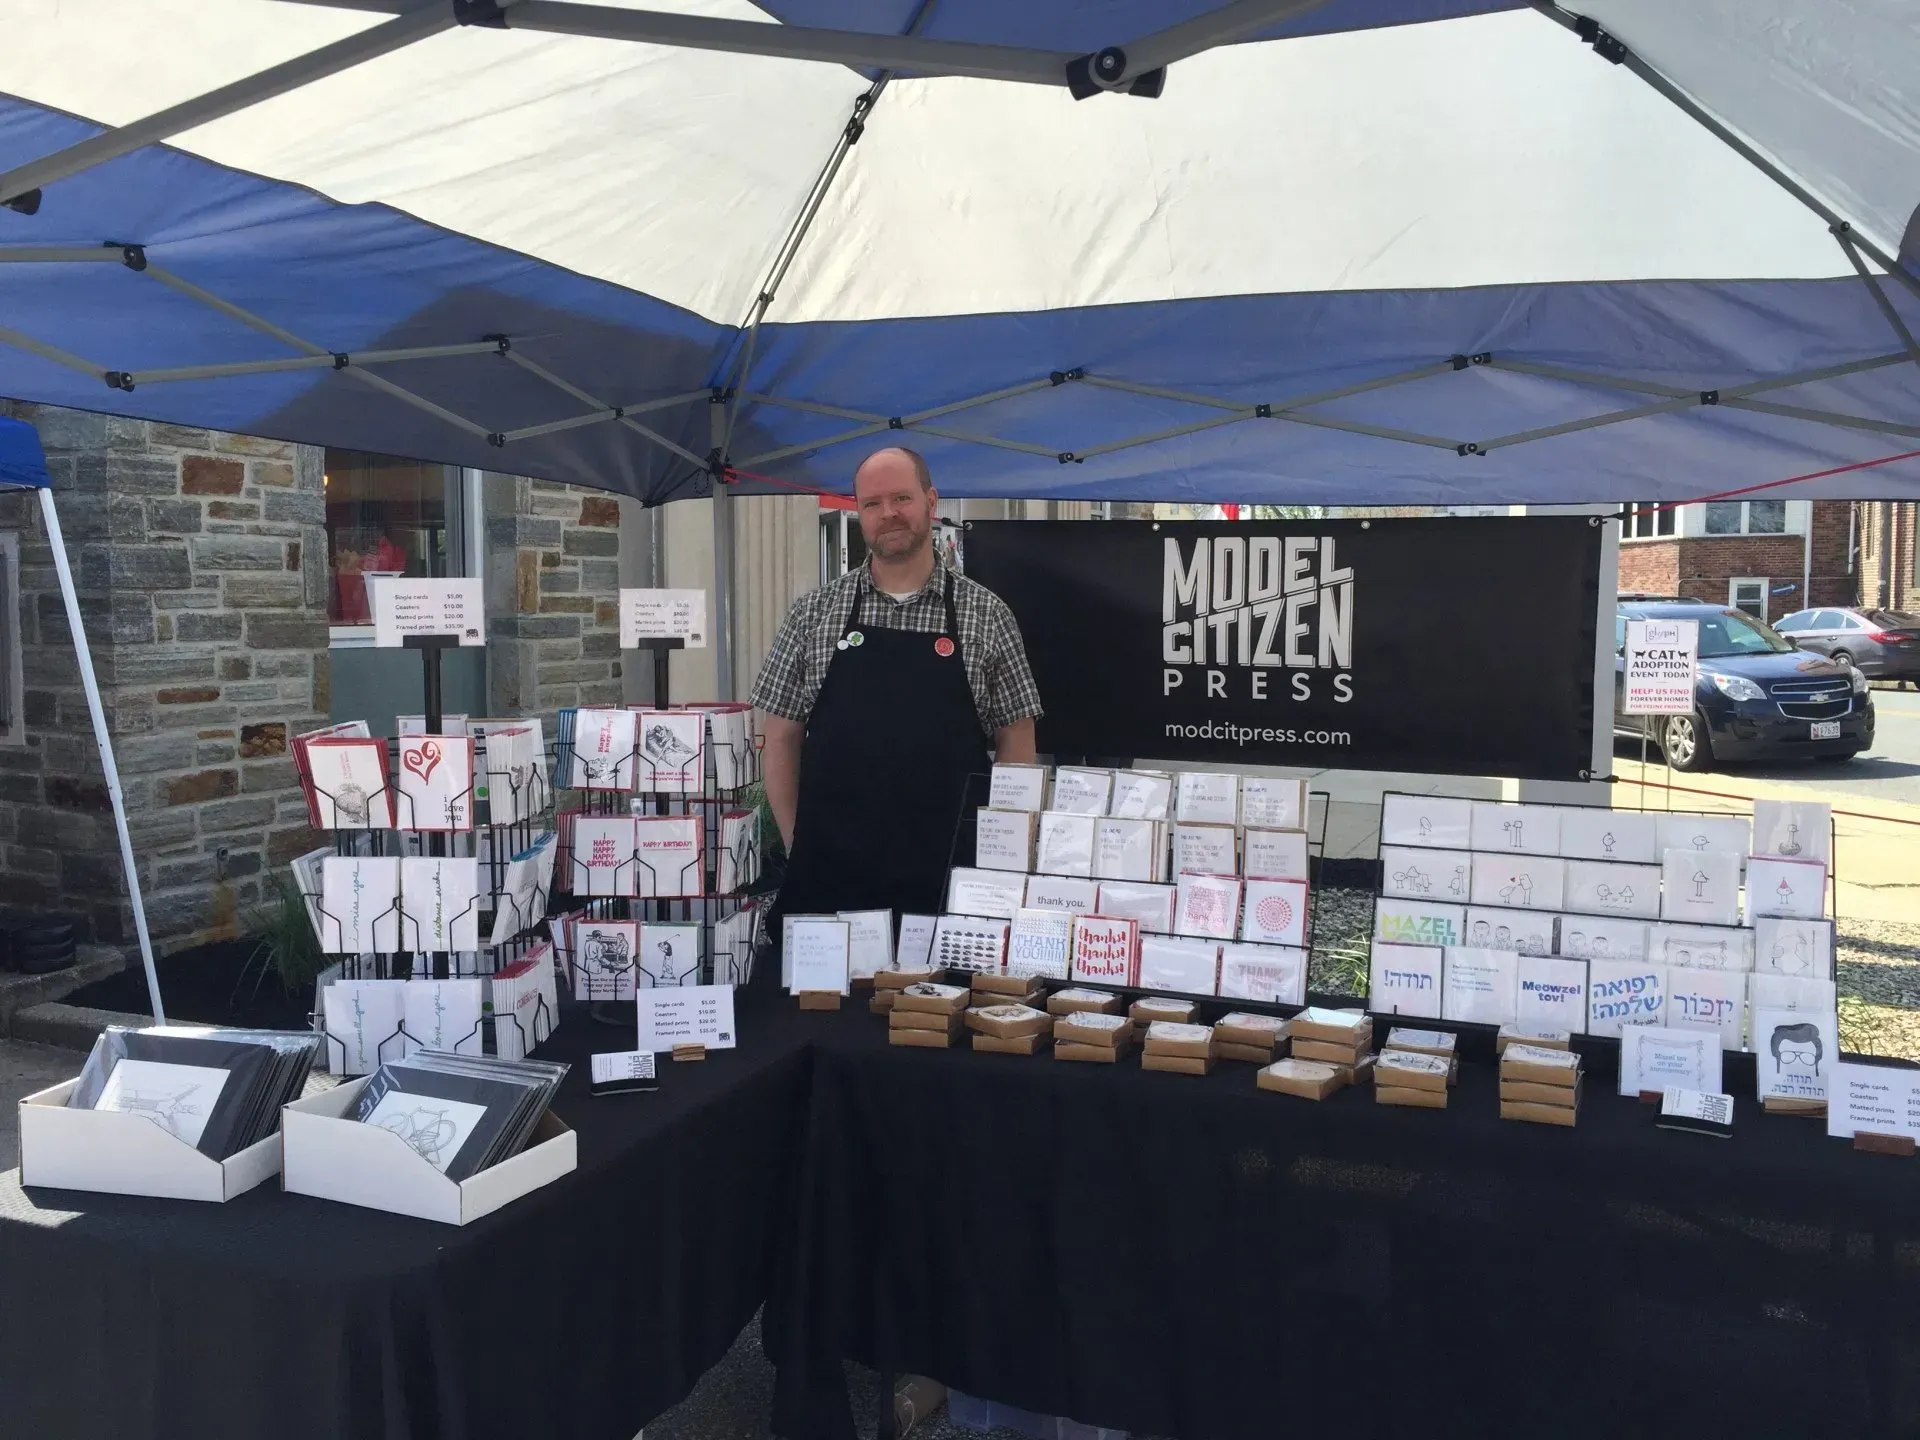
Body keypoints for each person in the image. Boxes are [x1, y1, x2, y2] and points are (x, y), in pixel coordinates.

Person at [752, 446, 1042, 926]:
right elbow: (779, 736)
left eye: (902, 498)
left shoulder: (987, 614)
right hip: (831, 881)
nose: (888, 514)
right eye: (872, 503)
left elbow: (1017, 738)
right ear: (859, 511)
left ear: (931, 501)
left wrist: (1003, 850)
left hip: (950, 877)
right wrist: (796, 840)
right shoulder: (813, 613)